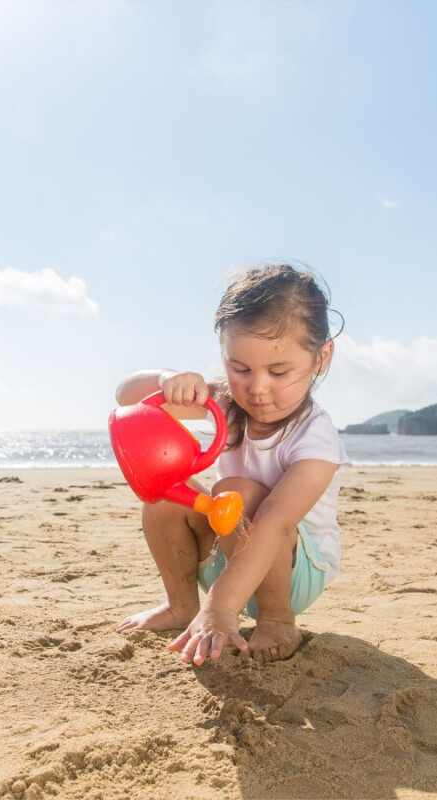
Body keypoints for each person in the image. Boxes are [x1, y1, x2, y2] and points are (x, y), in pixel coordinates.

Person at [116, 263, 350, 665]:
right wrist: (169, 379)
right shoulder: (225, 401)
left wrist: (221, 609)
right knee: (164, 498)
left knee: (235, 492)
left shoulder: (316, 438)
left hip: (293, 574)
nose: (256, 389)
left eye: (279, 371)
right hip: (226, 553)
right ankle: (181, 605)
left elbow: (275, 522)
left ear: (320, 358)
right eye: (239, 368)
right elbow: (126, 398)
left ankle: (277, 620)